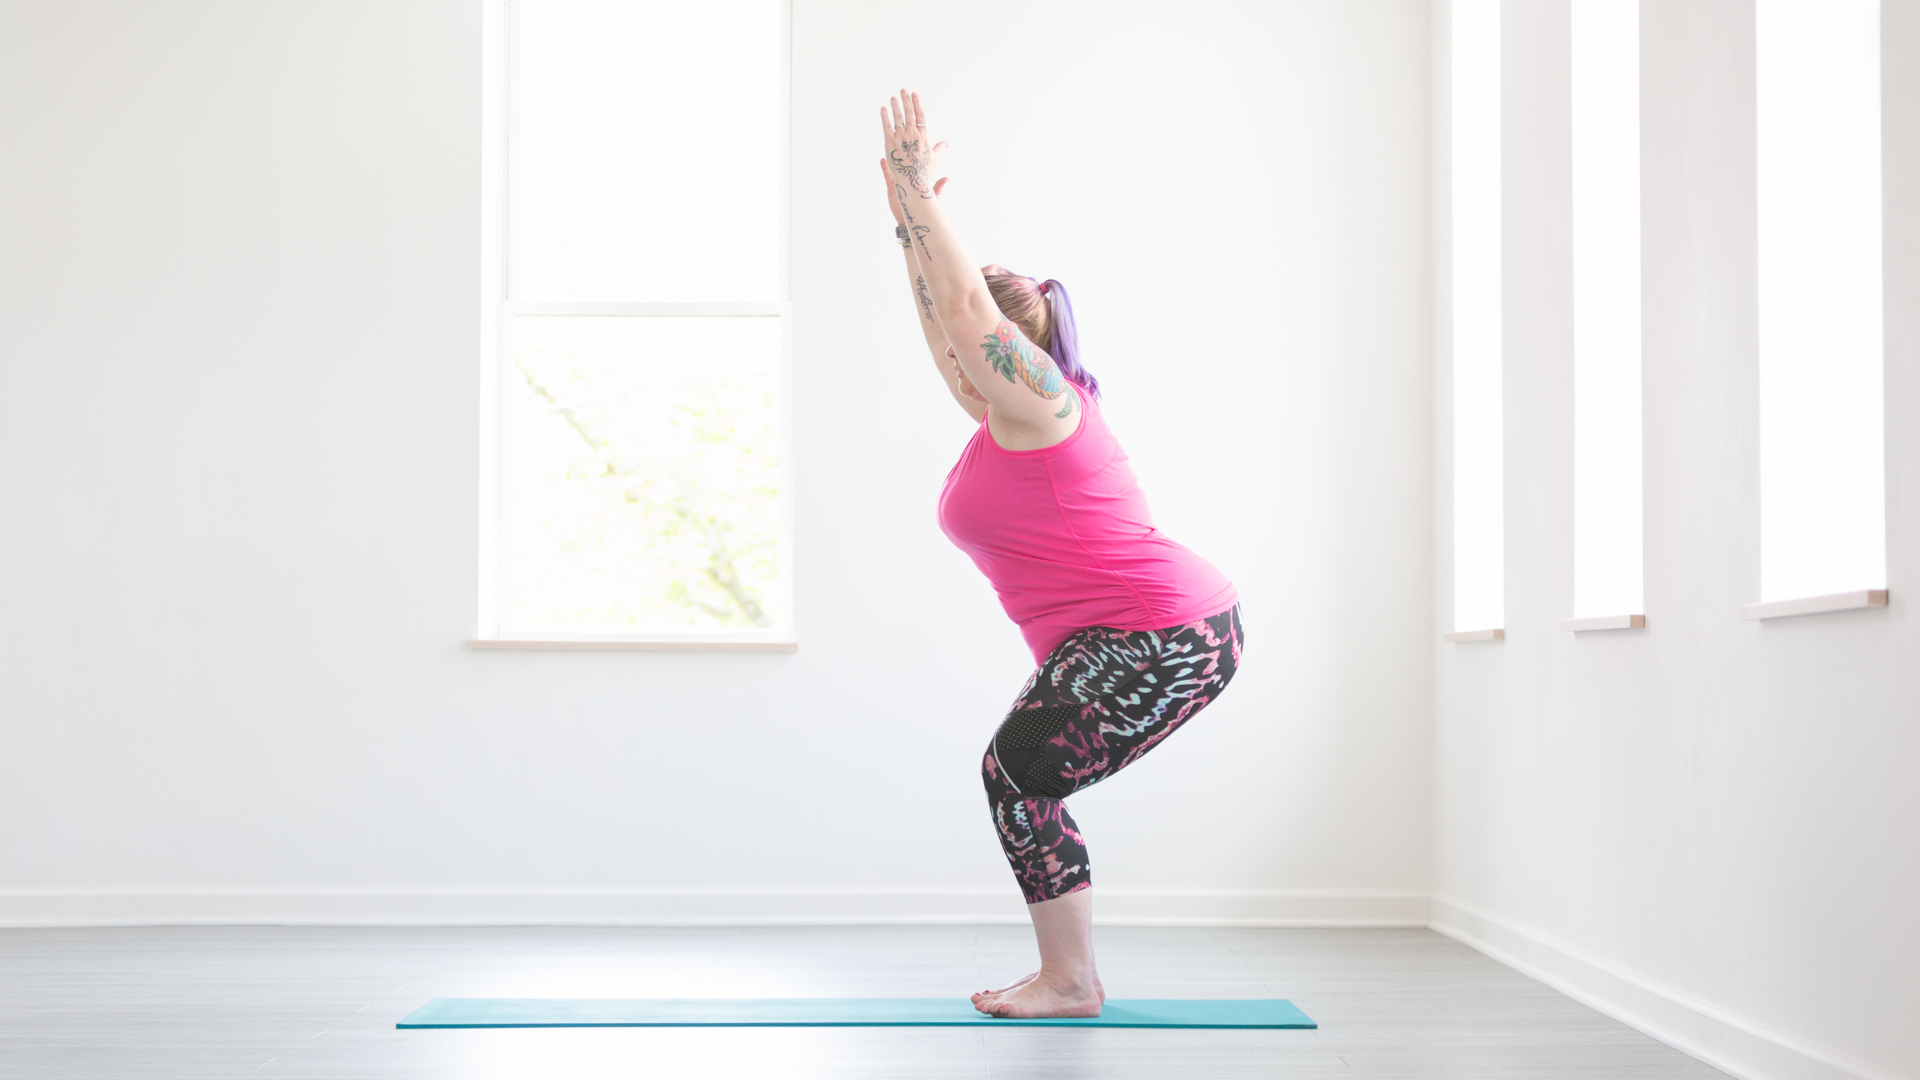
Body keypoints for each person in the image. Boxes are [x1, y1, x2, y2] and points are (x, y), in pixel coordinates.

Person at [879, 90, 1244, 1020]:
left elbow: (962, 308)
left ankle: (1071, 982)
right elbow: (944, 324)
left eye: (968, 342)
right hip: (1135, 633)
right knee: (1019, 776)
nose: (951, 354)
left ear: (1006, 345)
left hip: (1162, 631)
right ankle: (1068, 976)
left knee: (1017, 775)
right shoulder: (1000, 413)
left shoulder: (1043, 403)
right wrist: (906, 224)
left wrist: (921, 195)